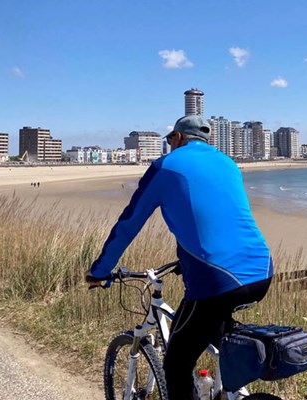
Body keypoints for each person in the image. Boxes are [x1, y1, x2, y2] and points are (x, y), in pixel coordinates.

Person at [85, 115, 273, 399]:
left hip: (217, 279)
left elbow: (129, 224)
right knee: (214, 337)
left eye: (170, 140)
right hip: (262, 269)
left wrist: (99, 271)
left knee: (176, 363)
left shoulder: (165, 166)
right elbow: (215, 217)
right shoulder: (228, 164)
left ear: (177, 138)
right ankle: (225, 390)